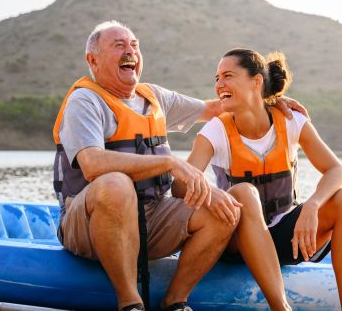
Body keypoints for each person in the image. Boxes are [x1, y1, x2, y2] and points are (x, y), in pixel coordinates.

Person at [52, 21, 306, 311]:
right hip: (88, 223)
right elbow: (93, 165)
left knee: (224, 210)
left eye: (134, 44)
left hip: (151, 215)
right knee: (115, 183)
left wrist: (263, 99)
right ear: (93, 60)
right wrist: (170, 163)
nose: (130, 51)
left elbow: (216, 108)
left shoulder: (154, 97)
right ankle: (129, 302)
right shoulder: (84, 101)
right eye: (118, 45)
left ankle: (175, 300)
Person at [179, 48, 342, 310]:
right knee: (243, 192)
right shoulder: (216, 130)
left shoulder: (290, 120)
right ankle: (281, 307)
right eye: (217, 78)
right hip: (234, 244)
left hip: (285, 240)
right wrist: (212, 195)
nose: (219, 84)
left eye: (227, 76)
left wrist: (312, 205)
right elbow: (180, 185)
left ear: (256, 81)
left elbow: (337, 171)